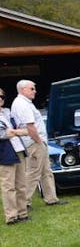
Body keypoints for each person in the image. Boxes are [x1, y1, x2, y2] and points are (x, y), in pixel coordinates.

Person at [10, 79, 66, 207]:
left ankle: (51, 198)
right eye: (32, 89)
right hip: (34, 142)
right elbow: (30, 126)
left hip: (37, 142)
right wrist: (38, 141)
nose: (34, 91)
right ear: (23, 90)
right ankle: (24, 203)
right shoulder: (22, 104)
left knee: (46, 171)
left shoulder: (25, 103)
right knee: (33, 172)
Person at [0, 88, 30, 225]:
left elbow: (25, 130)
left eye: (2, 96)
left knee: (21, 184)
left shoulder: (8, 112)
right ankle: (11, 217)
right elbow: (3, 134)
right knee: (8, 186)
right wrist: (15, 132)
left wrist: (13, 131)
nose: (1, 99)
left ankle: (23, 213)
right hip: (5, 153)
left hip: (19, 150)